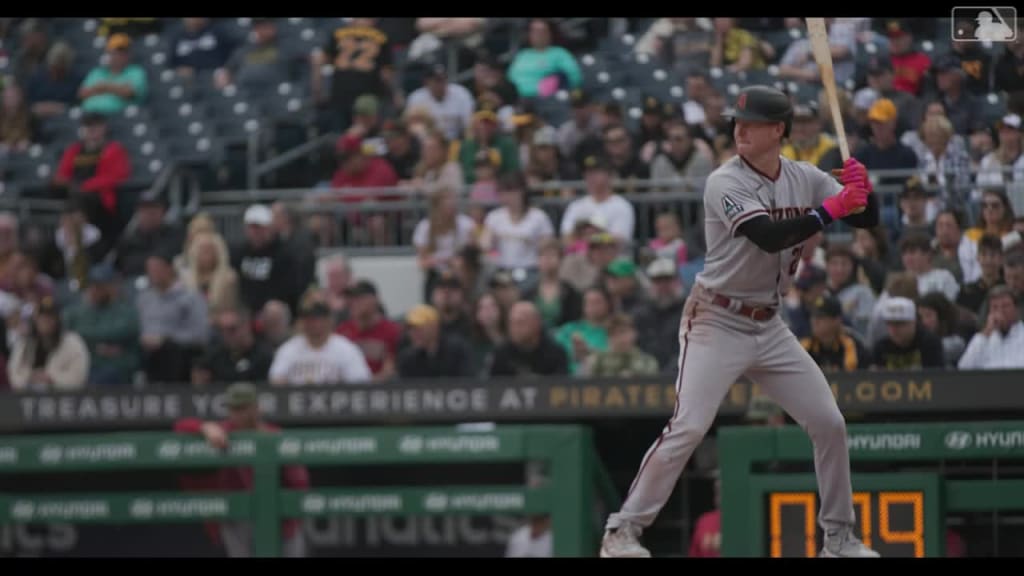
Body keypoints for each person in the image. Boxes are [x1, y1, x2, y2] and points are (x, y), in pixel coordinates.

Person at [599, 85, 880, 558]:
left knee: (829, 422)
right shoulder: (723, 180)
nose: (739, 129)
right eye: (736, 122)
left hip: (770, 325)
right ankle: (622, 530)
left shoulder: (804, 177)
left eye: (750, 123)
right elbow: (767, 236)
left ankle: (839, 540)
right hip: (717, 319)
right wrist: (833, 207)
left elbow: (865, 221)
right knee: (688, 426)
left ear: (778, 131)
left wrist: (861, 192)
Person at [173, 382, 309, 557]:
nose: (236, 414)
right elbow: (180, 427)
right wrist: (205, 427)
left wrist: (291, 517)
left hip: (281, 519)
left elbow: (300, 482)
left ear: (256, 408)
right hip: (237, 517)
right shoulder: (224, 432)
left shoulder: (274, 434)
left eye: (242, 408)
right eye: (232, 408)